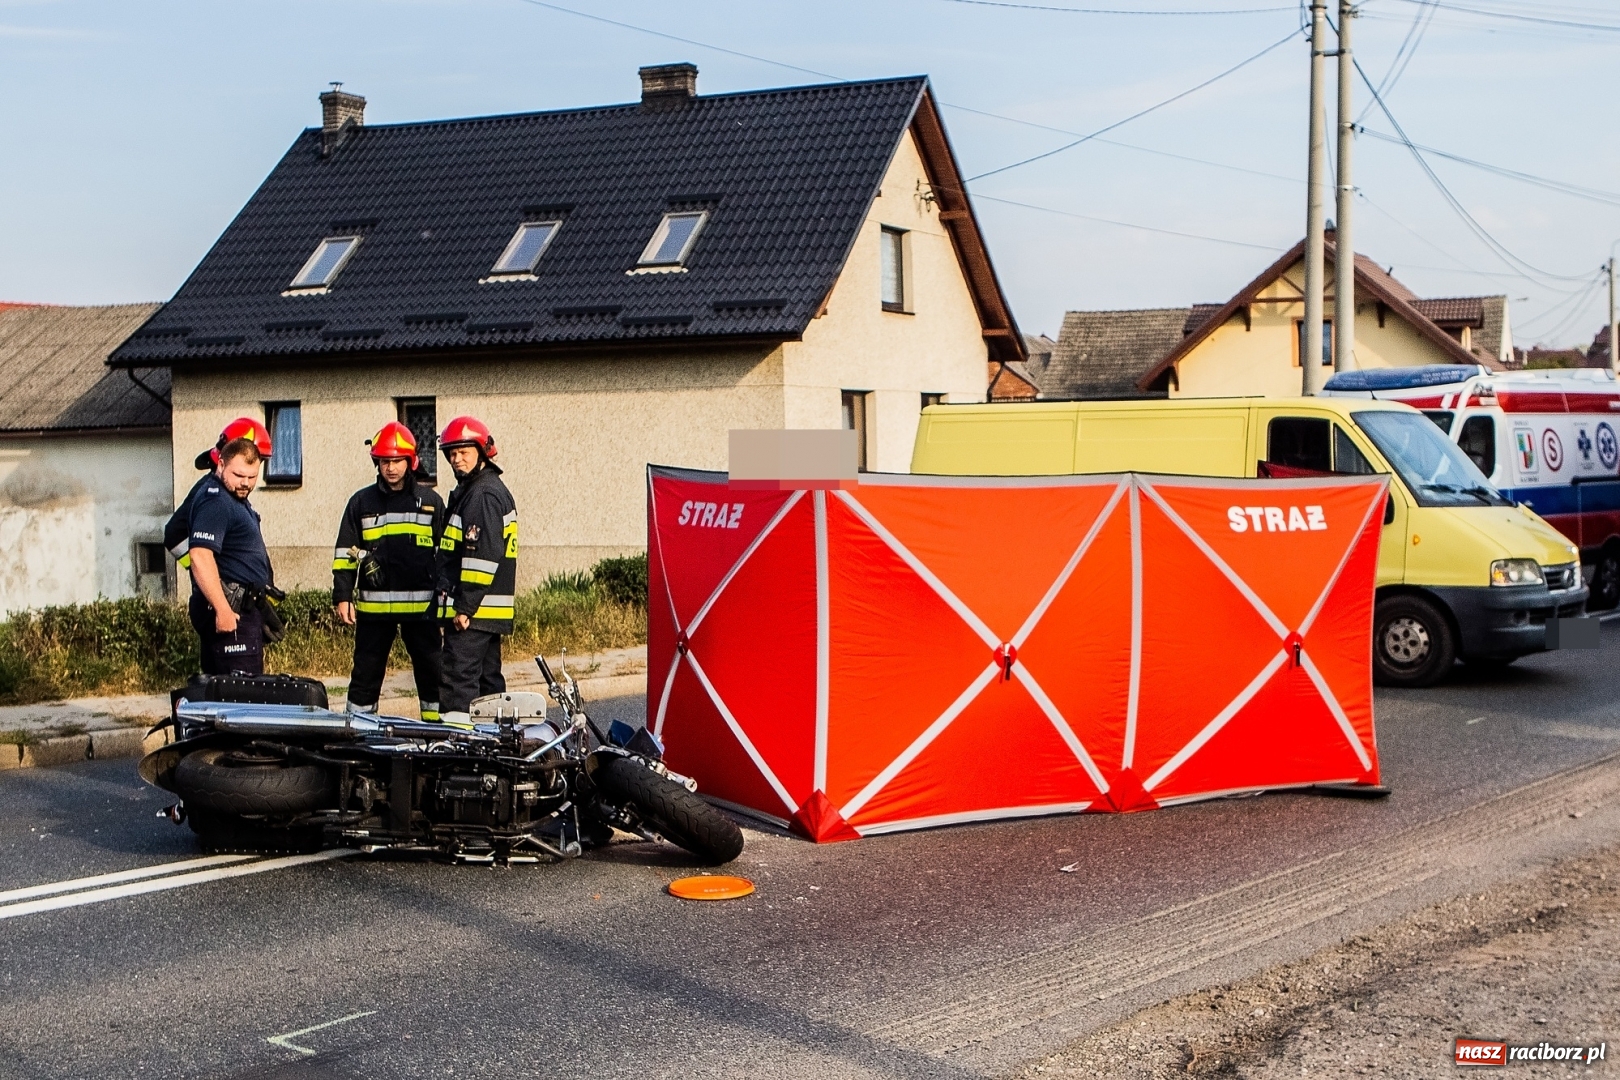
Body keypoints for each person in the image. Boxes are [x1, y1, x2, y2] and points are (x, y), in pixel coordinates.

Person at [332, 422, 446, 719]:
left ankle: (437, 734)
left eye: (397, 461)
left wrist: (446, 603)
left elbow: (446, 556)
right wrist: (342, 595)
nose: (391, 468)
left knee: (433, 675)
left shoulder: (431, 502)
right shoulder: (361, 502)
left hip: (422, 610)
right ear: (377, 463)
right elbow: (345, 553)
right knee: (365, 676)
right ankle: (358, 731)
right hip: (374, 611)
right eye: (385, 461)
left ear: (411, 462)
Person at [435, 416, 518, 725]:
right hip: (487, 614)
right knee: (488, 687)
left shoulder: (481, 495)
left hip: (473, 612)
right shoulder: (483, 490)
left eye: (464, 452)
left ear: (483, 452)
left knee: (459, 680)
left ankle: (457, 746)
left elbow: (481, 556)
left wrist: (465, 606)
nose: (457, 460)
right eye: (451, 454)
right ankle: (497, 745)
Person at [187, 436, 274, 676]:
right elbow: (200, 556)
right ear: (221, 465)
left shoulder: (235, 498)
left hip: (243, 608)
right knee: (242, 698)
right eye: (238, 476)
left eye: (252, 477)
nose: (245, 483)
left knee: (227, 695)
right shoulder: (216, 501)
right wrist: (223, 609)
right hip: (232, 611)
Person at [164, 418, 273, 571]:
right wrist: (214, 573)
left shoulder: (233, 493)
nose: (246, 481)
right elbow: (174, 534)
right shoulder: (213, 495)